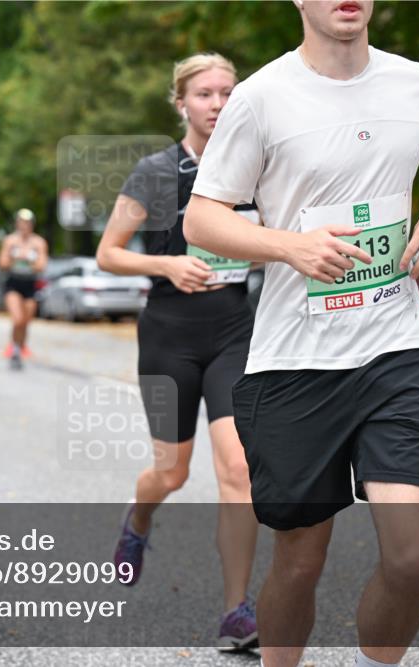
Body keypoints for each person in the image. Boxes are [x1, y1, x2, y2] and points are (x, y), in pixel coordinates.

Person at [184, 2, 419, 666]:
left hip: (396, 347)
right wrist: (289, 246)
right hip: (295, 360)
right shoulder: (260, 98)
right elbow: (203, 219)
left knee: (411, 556)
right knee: (299, 557)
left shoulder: (415, 83)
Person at [96, 52, 260, 651]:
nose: (217, 104)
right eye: (204, 94)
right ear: (181, 103)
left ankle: (237, 611)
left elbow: (270, 241)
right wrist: (166, 262)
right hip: (168, 335)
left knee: (239, 468)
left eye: (226, 93)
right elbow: (109, 253)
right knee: (171, 471)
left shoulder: (255, 169)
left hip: (233, 333)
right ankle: (139, 519)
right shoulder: (156, 173)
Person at [0, 209, 48, 369]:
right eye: (21, 222)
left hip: (30, 284)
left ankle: (19, 347)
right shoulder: (10, 241)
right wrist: (16, 258)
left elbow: (42, 265)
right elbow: (2, 263)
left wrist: (29, 260)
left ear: (32, 225)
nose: (24, 226)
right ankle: (14, 348)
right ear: (17, 223)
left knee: (26, 322)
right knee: (17, 319)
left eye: (27, 223)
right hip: (14, 283)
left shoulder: (38, 242)